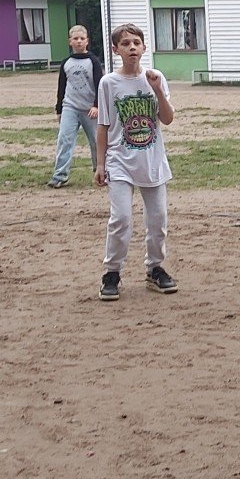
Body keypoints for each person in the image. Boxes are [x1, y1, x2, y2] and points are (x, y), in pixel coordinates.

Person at [94, 22, 177, 299]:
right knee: (121, 218)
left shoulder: (155, 77)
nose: (132, 47)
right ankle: (112, 273)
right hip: (119, 160)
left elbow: (167, 118)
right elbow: (103, 125)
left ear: (144, 47)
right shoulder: (109, 83)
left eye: (136, 43)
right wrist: (100, 164)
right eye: (126, 43)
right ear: (115, 49)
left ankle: (155, 269)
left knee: (158, 219)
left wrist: (157, 90)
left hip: (151, 160)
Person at [48, 24, 102, 188]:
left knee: (96, 141)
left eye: (82, 38)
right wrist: (59, 109)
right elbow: (61, 87)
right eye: (75, 39)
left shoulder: (93, 61)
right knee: (64, 139)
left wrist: (96, 105)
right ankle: (59, 175)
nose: (79, 41)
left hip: (90, 109)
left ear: (87, 41)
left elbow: (100, 85)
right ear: (70, 41)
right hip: (70, 107)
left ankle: (100, 172)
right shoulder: (66, 62)